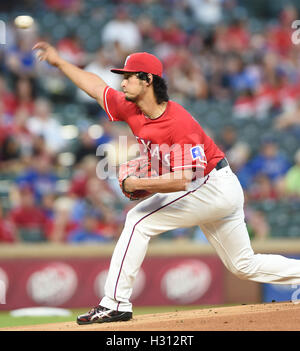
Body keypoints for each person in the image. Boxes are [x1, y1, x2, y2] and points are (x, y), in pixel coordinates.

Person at [33, 41, 300, 325]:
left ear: (147, 80)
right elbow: (97, 88)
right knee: (243, 265)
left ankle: (115, 303)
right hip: (214, 187)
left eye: (128, 77)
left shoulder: (178, 122)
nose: (122, 83)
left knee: (138, 219)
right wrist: (60, 62)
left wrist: (136, 183)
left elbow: (183, 179)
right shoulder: (132, 108)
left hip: (212, 186)